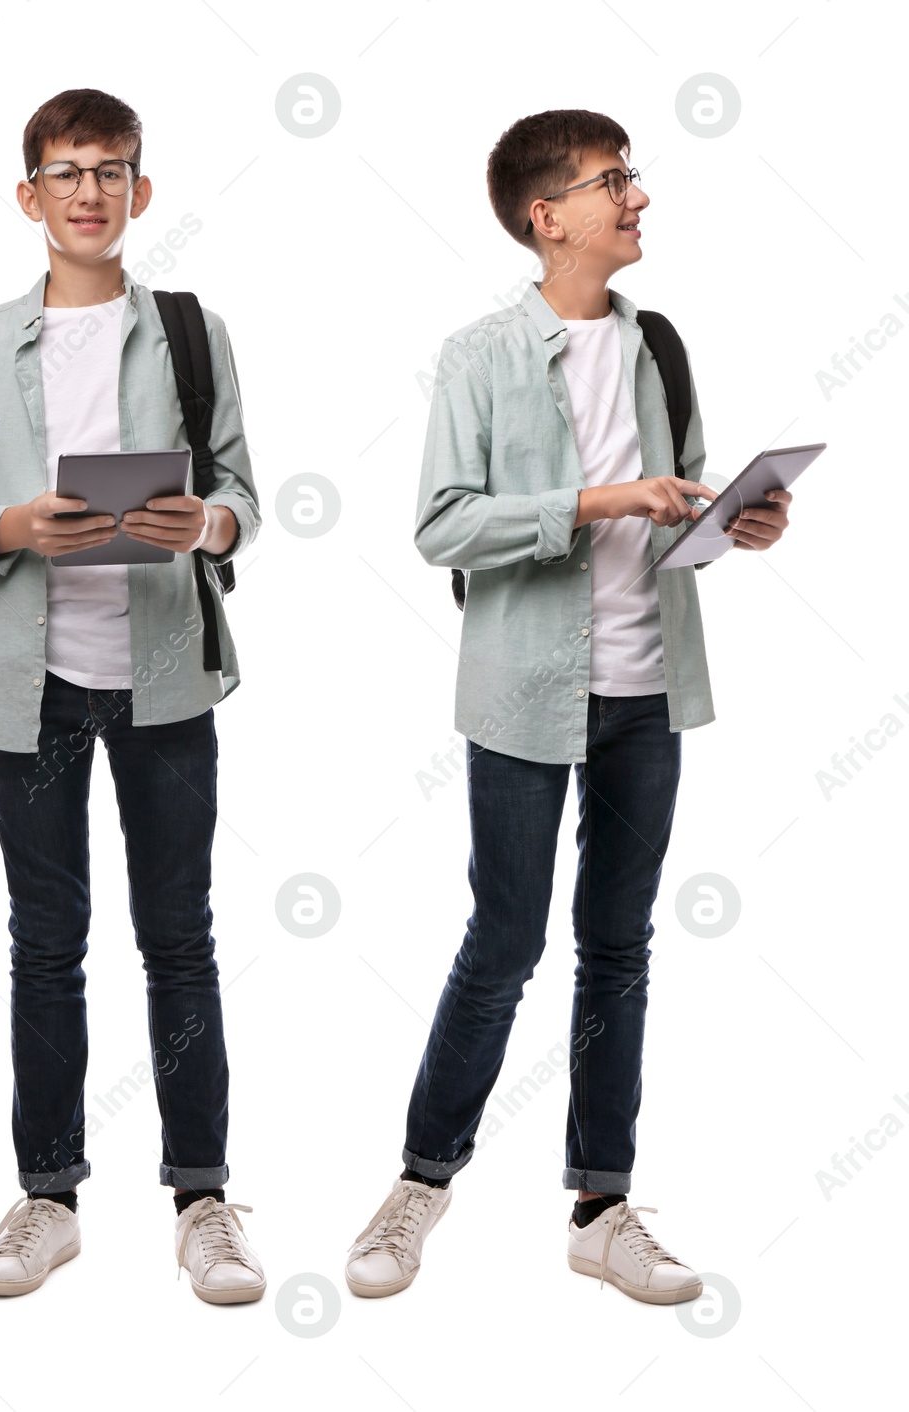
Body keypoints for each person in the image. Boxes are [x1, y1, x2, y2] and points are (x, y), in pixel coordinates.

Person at [345, 109, 793, 1305]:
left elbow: (680, 511)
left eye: (632, 178)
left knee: (619, 947)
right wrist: (595, 500)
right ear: (548, 218)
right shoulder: (480, 354)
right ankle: (420, 1181)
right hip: (524, 693)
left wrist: (734, 522)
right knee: (504, 942)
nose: (637, 199)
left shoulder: (662, 346)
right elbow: (441, 523)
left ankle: (601, 1204)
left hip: (648, 687)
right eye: (613, 183)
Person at [0, 88, 266, 1303]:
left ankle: (203, 1197)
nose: (90, 192)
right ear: (30, 198)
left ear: (140, 191)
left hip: (166, 672)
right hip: (34, 683)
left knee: (180, 939)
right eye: (66, 173)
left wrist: (205, 521)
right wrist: (7, 523)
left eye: (111, 171)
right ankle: (46, 1195)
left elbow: (244, 500)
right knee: (45, 942)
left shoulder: (191, 331)